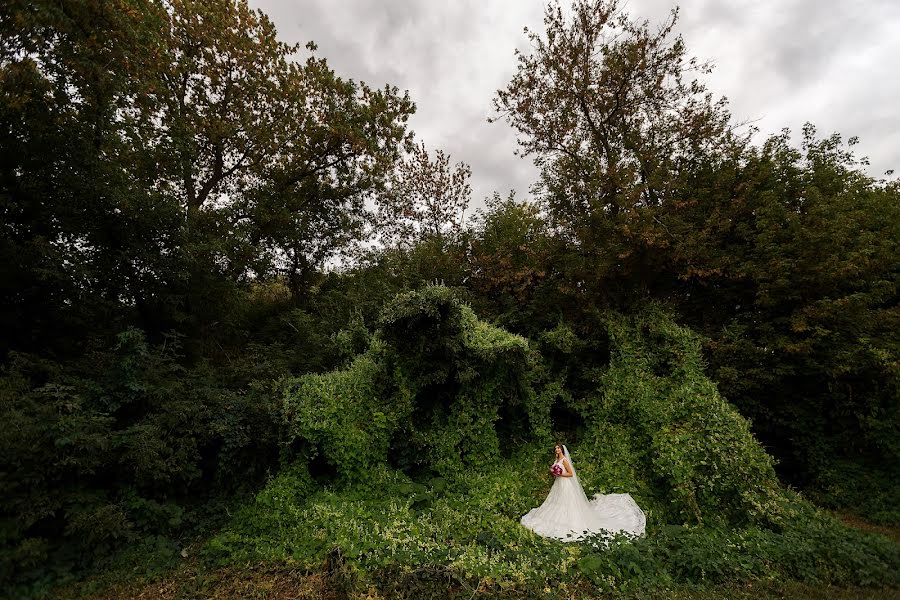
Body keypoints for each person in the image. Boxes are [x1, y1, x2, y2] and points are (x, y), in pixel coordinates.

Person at [520, 444, 646, 541]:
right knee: (556, 501)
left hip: (565, 484)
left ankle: (568, 521)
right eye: (556, 449)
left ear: (562, 450)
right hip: (558, 483)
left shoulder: (564, 460)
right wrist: (554, 472)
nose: (557, 450)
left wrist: (561, 473)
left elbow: (570, 474)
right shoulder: (557, 459)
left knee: (566, 502)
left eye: (558, 448)